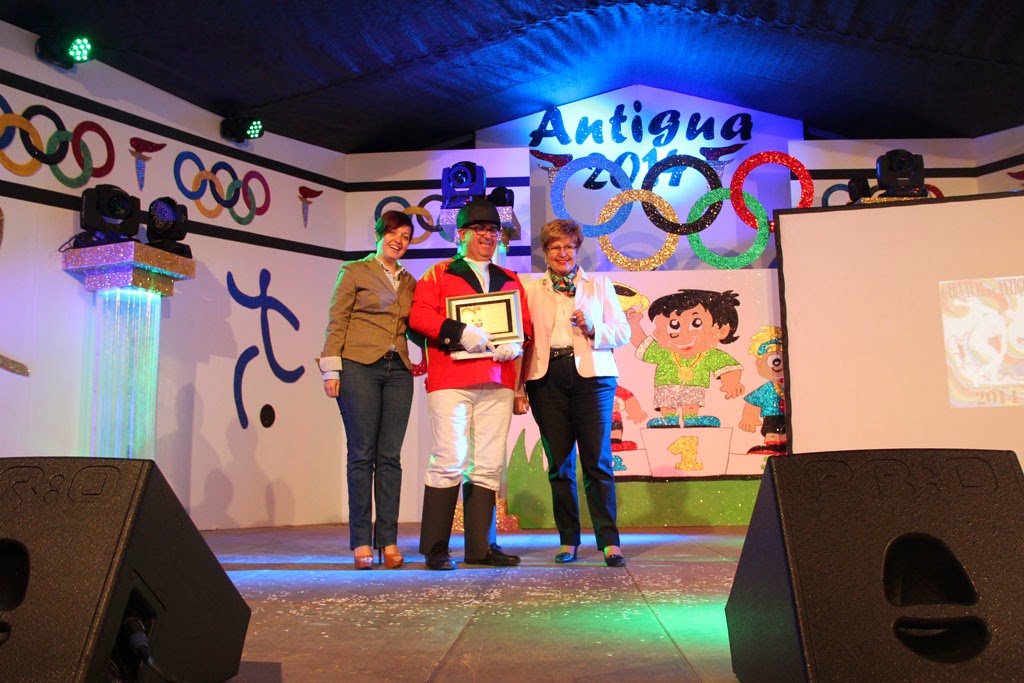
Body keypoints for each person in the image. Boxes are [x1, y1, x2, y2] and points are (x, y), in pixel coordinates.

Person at [409, 198, 532, 570]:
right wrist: (458, 331)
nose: (487, 236)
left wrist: (517, 342)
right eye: (479, 229)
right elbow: (419, 316)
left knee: (489, 464)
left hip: (497, 379)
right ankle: (435, 547)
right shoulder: (438, 273)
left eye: (493, 230)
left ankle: (481, 547)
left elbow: (524, 324)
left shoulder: (509, 278)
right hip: (452, 378)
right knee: (449, 458)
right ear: (461, 234)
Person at [513, 218, 630, 567]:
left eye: (568, 247)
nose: (562, 253)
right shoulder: (530, 290)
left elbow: (622, 332)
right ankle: (568, 540)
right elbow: (522, 341)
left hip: (593, 379)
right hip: (546, 378)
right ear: (545, 252)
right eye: (555, 247)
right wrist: (518, 387)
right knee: (559, 465)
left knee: (598, 461)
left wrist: (594, 328)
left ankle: (609, 542)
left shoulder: (599, 285)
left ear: (577, 249)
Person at [318, 210, 416, 570]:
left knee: (390, 457)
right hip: (359, 366)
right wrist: (331, 369)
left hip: (398, 370)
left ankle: (388, 541)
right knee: (361, 454)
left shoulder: (409, 280)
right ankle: (361, 542)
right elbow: (337, 319)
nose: (398, 241)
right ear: (378, 235)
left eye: (405, 236)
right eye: (393, 233)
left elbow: (416, 324)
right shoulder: (355, 271)